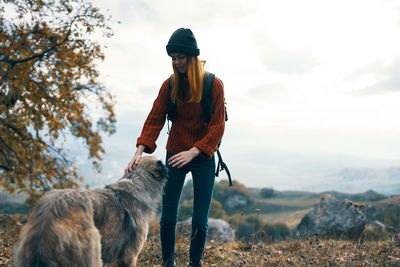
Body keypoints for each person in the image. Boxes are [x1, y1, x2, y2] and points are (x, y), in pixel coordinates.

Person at [125, 28, 225, 267]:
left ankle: (194, 263)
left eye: (181, 57)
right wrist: (140, 150)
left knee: (200, 221)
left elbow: (217, 126)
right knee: (168, 218)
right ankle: (167, 263)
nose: (177, 62)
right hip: (175, 154)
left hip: (202, 156)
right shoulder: (169, 86)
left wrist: (195, 151)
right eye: (173, 58)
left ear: (192, 57)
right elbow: (155, 117)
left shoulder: (213, 84)